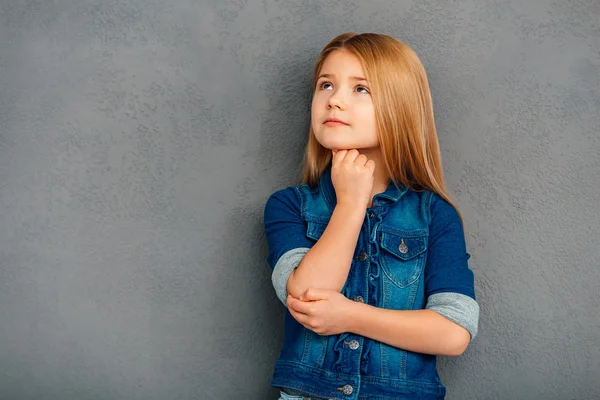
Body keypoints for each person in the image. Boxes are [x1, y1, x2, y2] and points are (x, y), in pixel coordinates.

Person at [263, 32, 479, 400]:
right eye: (326, 85)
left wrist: (350, 316)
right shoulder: (289, 206)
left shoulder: (434, 215)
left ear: (400, 107)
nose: (335, 101)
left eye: (360, 89)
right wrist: (350, 204)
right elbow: (307, 295)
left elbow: (454, 331)